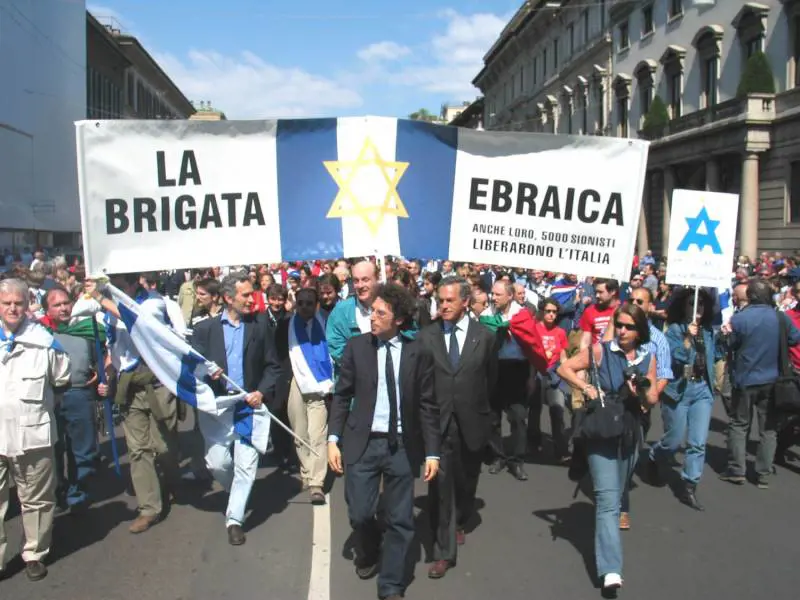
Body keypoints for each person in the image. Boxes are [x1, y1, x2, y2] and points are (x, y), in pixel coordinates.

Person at [327, 283, 440, 600]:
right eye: (371, 312)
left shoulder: (418, 353)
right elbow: (342, 394)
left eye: (380, 313)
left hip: (401, 446)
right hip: (361, 444)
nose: (372, 318)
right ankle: (368, 549)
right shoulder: (356, 347)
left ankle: (391, 584)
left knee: (401, 520)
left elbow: (428, 405)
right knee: (360, 513)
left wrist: (432, 452)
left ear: (399, 319)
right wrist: (333, 438)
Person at [558, 303, 658, 593]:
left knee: (622, 487)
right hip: (602, 429)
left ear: (639, 331)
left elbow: (651, 399)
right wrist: (586, 387)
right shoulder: (601, 350)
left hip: (630, 432)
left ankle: (611, 545)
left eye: (629, 326)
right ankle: (611, 569)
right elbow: (565, 367)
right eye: (620, 325)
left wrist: (641, 389)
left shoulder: (646, 356)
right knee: (606, 499)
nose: (623, 331)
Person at [191, 271, 281, 545]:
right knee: (217, 463)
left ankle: (234, 520)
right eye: (245, 295)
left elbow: (272, 366)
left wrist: (261, 392)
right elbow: (192, 368)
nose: (252, 299)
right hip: (218, 408)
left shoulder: (260, 326)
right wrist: (207, 374)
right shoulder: (205, 330)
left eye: (253, 293)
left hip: (248, 406)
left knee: (246, 467)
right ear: (228, 298)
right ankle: (237, 494)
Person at [87, 273, 182, 534]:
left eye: (118, 286)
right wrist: (107, 372)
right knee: (138, 449)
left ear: (131, 284)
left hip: (158, 383)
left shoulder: (153, 302)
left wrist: (101, 299)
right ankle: (149, 508)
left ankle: (171, 481)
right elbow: (113, 347)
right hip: (129, 386)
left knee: (163, 446)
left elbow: (137, 320)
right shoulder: (107, 308)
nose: (113, 291)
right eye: (111, 286)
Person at [418, 276, 497, 579]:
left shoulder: (485, 337)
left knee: (465, 481)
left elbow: (491, 380)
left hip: (472, 421)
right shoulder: (427, 336)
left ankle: (462, 517)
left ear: (466, 301)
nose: (444, 305)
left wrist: (484, 415)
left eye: (450, 300)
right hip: (438, 423)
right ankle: (443, 551)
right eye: (440, 300)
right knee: (440, 486)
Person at [0, 278, 71, 582]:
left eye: (18, 302)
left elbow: (61, 379)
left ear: (28, 303)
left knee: (37, 499)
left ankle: (35, 553)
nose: (13, 308)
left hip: (34, 434)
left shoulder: (46, 342)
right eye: (6, 303)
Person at [720, 278, 800, 488]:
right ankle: (763, 472)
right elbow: (794, 338)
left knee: (739, 425)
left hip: (745, 379)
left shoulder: (740, 319)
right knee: (769, 428)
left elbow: (730, 344)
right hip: (772, 379)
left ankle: (737, 470)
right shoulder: (780, 318)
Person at [647, 288, 717, 510]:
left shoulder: (707, 331)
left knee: (698, 442)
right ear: (683, 306)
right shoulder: (674, 331)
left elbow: (714, 356)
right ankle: (655, 456)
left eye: (701, 305)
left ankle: (690, 484)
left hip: (702, 389)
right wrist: (687, 338)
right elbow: (675, 359)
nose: (697, 308)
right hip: (678, 390)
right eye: (692, 303)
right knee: (673, 439)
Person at [283, 287, 331, 504]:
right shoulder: (287, 324)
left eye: (309, 303)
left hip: (319, 386)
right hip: (296, 382)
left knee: (317, 434)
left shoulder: (326, 322)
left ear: (316, 305)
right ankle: (306, 471)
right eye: (300, 303)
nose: (304, 307)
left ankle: (316, 483)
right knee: (300, 433)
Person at [326, 260, 380, 368]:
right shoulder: (341, 311)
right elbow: (336, 349)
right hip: (356, 378)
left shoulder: (391, 305)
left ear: (377, 279)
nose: (360, 285)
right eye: (356, 281)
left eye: (365, 280)